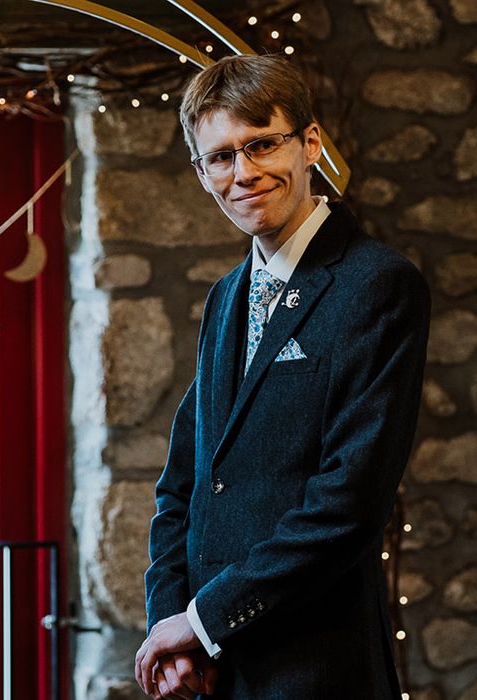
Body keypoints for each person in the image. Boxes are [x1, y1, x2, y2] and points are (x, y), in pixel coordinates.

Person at [134, 55, 430, 699]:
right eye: (220, 157)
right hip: (213, 672)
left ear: (311, 144)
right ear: (201, 172)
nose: (243, 173)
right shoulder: (225, 296)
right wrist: (169, 617)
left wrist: (205, 619)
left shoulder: (376, 285)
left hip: (314, 666)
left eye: (261, 144)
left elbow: (348, 505)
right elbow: (184, 481)